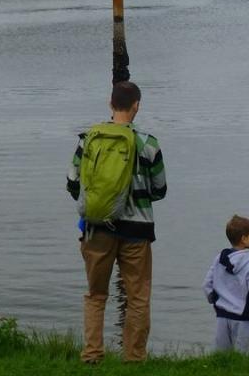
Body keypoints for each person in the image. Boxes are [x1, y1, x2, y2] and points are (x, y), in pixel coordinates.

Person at [66, 80, 167, 364]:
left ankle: (92, 354)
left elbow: (73, 183)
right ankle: (134, 358)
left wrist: (99, 202)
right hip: (137, 230)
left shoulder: (88, 139)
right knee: (138, 296)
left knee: (96, 295)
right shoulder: (148, 143)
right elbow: (160, 189)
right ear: (137, 106)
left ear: (110, 104)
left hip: (97, 228)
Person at [202, 214, 249, 354]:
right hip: (242, 317)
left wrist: (214, 299)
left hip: (222, 314)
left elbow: (207, 284)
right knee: (244, 356)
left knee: (221, 355)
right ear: (243, 239)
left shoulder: (219, 259)